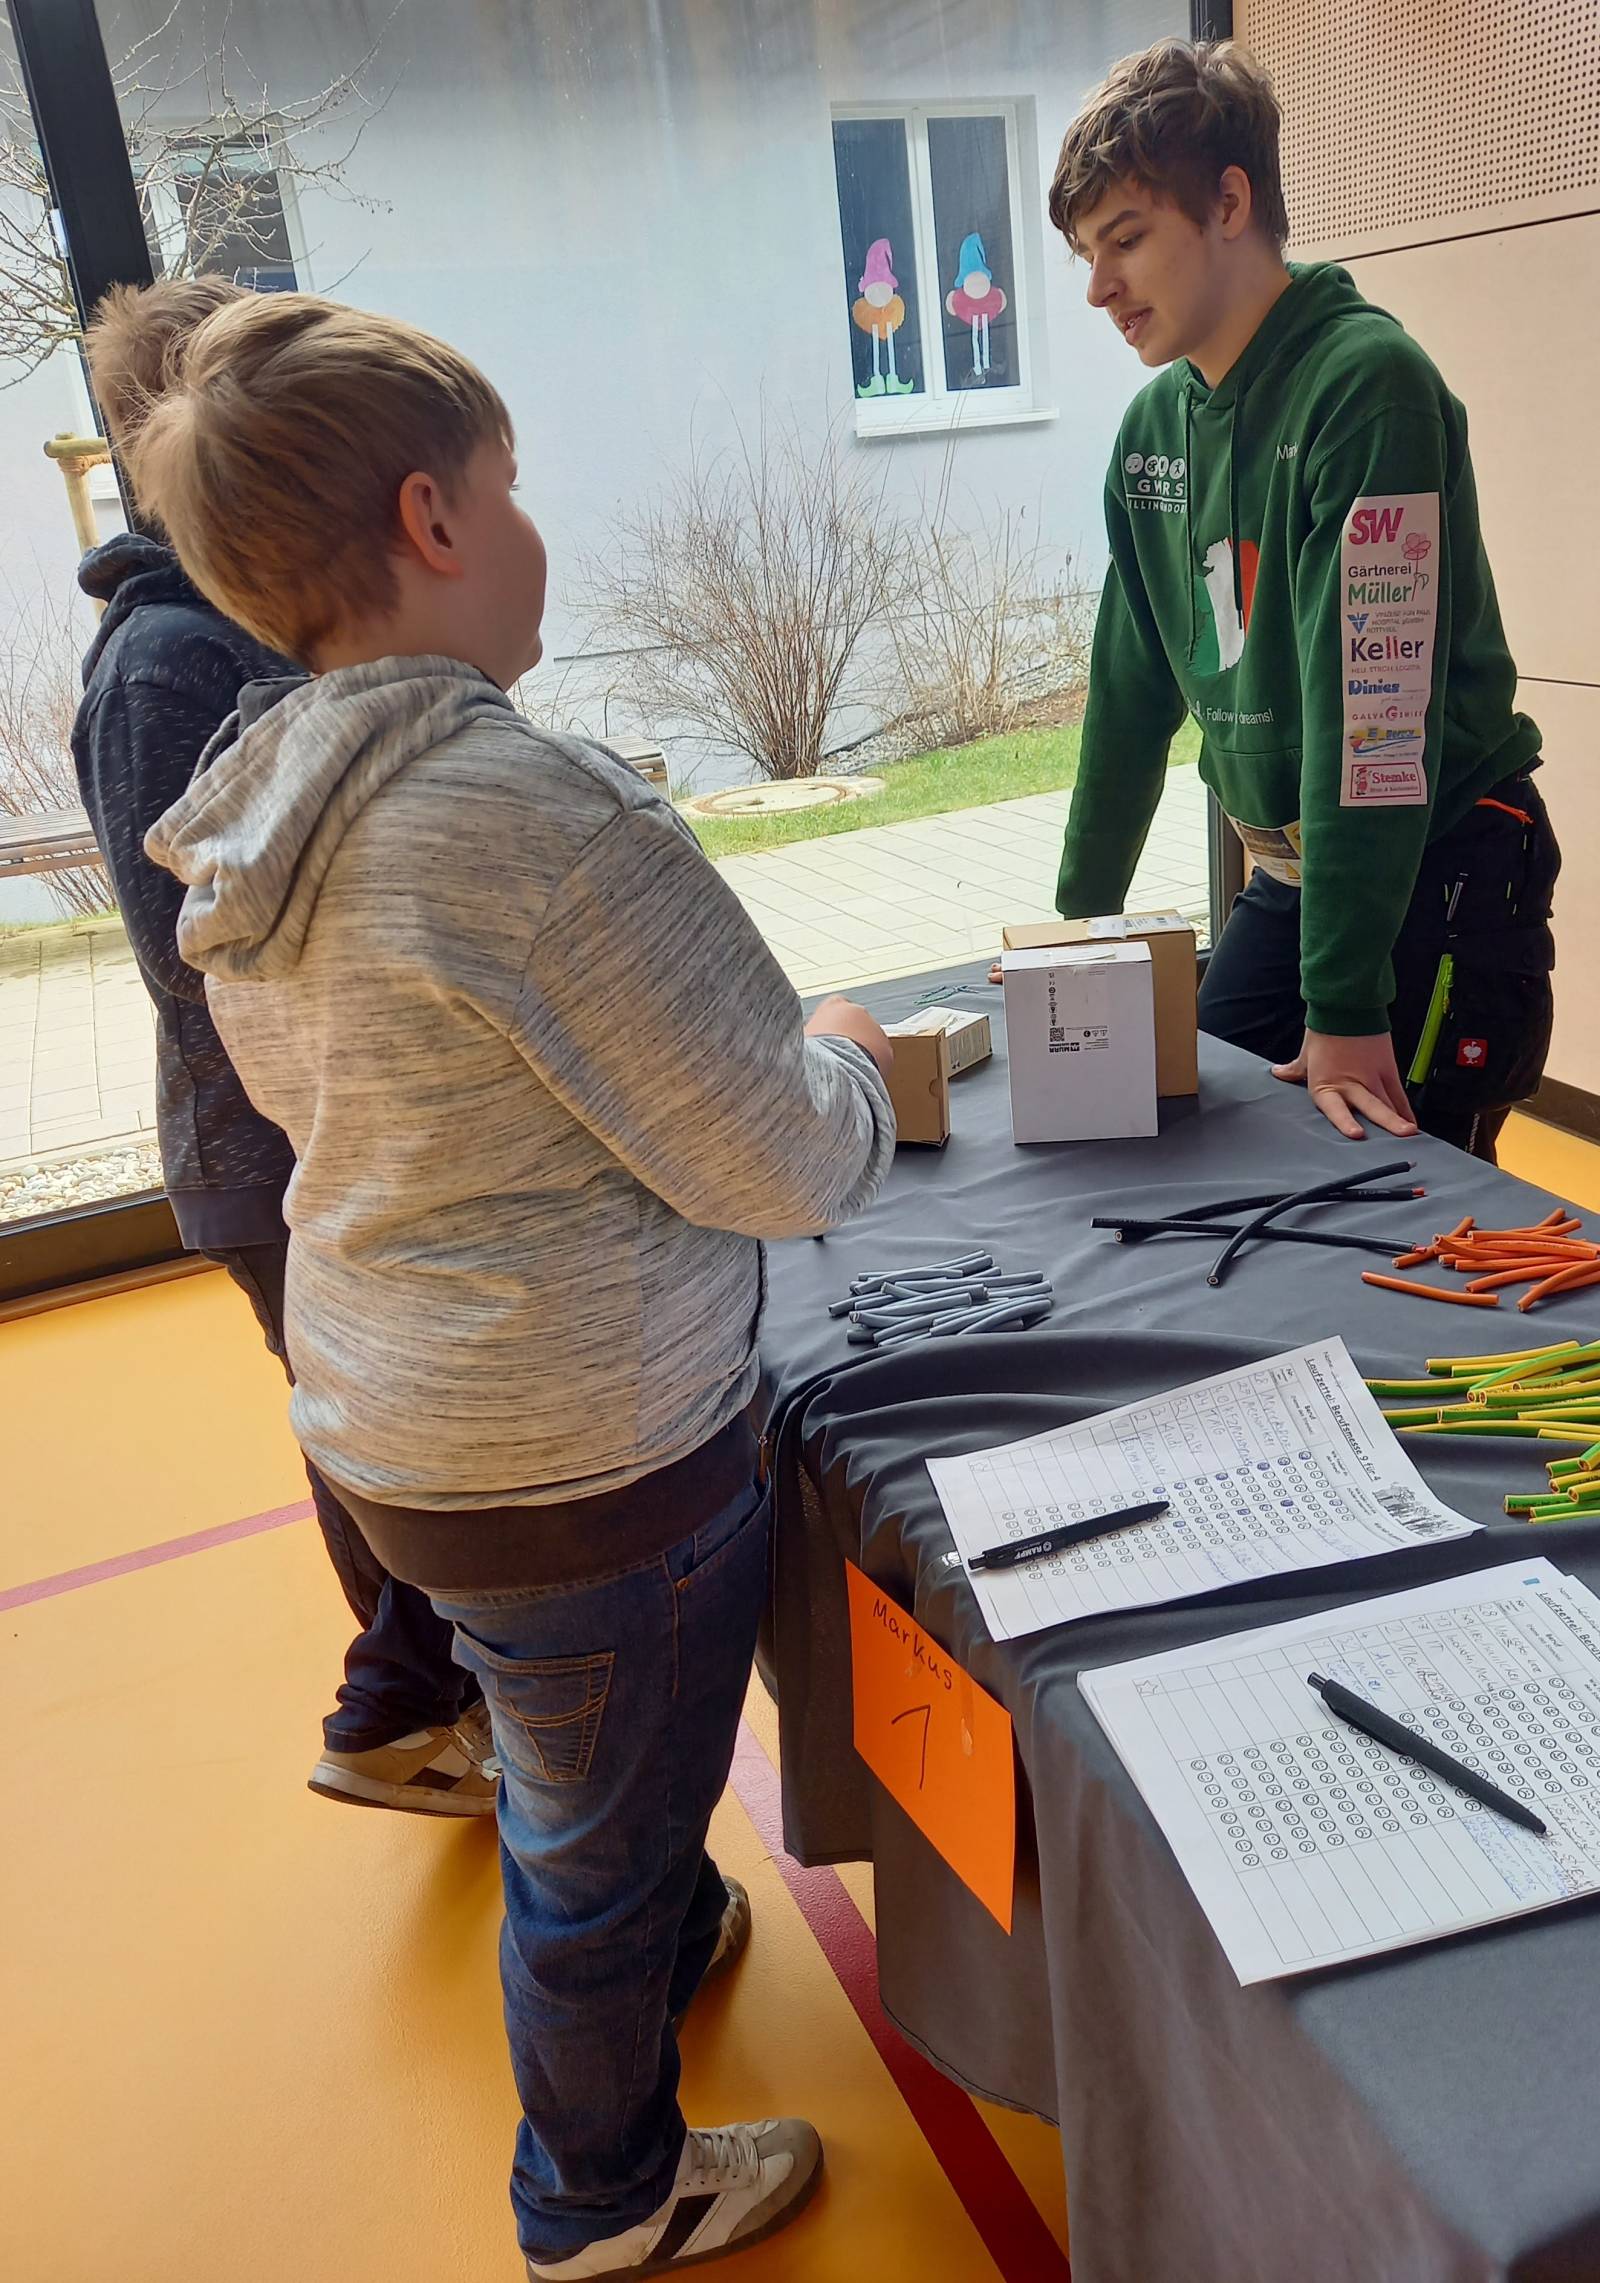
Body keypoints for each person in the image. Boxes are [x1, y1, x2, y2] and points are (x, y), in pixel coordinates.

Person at [125, 284, 896, 2277]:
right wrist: (848, 1056)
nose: (533, 521)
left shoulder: (254, 817)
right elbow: (782, 1157)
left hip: (402, 1425)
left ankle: (653, 1920)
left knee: (579, 1768)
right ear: (434, 518)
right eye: (513, 481)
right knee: (585, 1839)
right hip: (584, 1459)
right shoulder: (534, 815)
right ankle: (600, 2193)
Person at [74, 280, 495, 1816]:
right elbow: (194, 955)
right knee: (376, 1436)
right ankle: (403, 1710)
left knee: (405, 1426)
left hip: (333, 1125)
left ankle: (431, 1697)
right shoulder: (161, 665)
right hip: (275, 1147)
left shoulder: (252, 630)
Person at [1045, 38, 1559, 1158]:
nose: (1097, 288)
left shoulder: (1368, 389)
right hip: (1293, 872)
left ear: (1229, 204)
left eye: (1125, 240)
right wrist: (1079, 930)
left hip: (1440, 858)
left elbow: (1372, 724)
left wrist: (1345, 1003)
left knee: (1398, 1195)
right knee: (1194, 1131)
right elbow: (1129, 696)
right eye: (1087, 253)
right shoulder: (1153, 430)